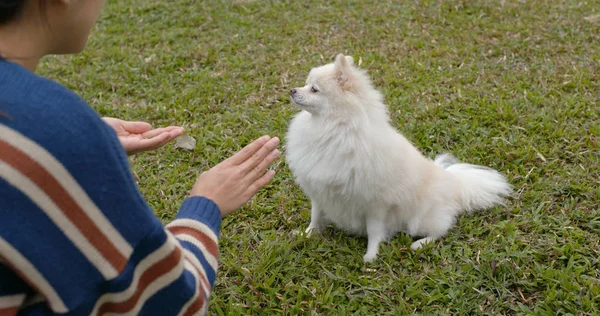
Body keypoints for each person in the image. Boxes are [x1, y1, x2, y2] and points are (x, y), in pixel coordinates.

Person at [0, 0, 280, 315]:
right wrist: (206, 205)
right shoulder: (55, 131)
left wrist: (66, 146)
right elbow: (171, 303)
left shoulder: (34, 130)